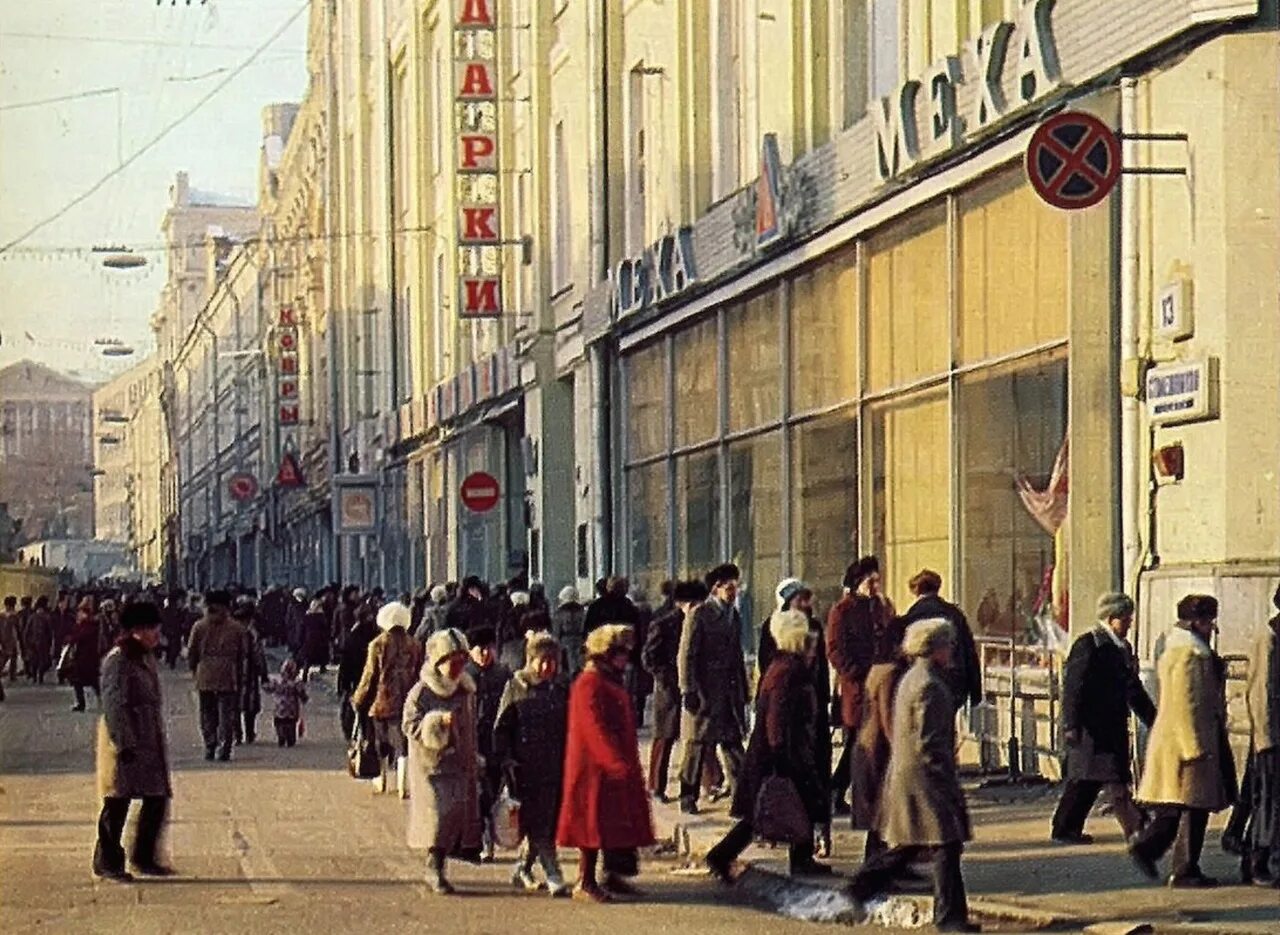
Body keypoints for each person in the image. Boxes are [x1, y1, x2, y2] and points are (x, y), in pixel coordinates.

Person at [846, 619, 977, 933]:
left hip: (912, 775)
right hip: (926, 777)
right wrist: (946, 778)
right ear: (934, 648)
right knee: (945, 844)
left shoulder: (914, 677)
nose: (951, 651)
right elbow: (929, 742)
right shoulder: (928, 684)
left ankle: (861, 887)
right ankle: (950, 918)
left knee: (913, 845)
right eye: (947, 645)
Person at [706, 609, 831, 880]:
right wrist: (781, 755)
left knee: (770, 809)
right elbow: (777, 718)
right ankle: (722, 855)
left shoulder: (786, 668)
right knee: (770, 808)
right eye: (809, 644)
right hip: (781, 753)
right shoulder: (787, 672)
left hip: (783, 751)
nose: (813, 651)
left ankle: (798, 857)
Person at [1130, 594, 1238, 887]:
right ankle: (1180, 866)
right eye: (1208, 622)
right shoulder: (1189, 655)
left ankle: (1157, 853)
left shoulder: (1182, 650)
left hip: (1182, 741)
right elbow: (1185, 703)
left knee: (1178, 807)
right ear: (1197, 623)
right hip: (1186, 744)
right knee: (1190, 808)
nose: (1210, 628)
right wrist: (1194, 748)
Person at [557, 624, 655, 903]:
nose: (625, 657)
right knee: (592, 828)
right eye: (619, 652)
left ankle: (613, 875)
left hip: (610, 765)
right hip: (594, 768)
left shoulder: (609, 679)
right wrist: (613, 762)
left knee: (613, 824)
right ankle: (584, 881)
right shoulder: (589, 683)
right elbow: (593, 728)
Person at [1050, 592, 1155, 845]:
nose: (1130, 624)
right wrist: (1070, 725)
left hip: (1112, 724)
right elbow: (1073, 687)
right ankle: (1136, 829)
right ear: (1110, 619)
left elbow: (1133, 688)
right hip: (1089, 726)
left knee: (1088, 780)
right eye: (1125, 619)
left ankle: (1066, 828)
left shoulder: (1122, 648)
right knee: (1104, 779)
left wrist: (1153, 718)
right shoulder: (1089, 644)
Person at [93, 601, 174, 882]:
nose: (156, 634)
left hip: (147, 737)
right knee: (117, 801)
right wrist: (124, 744)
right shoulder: (118, 659)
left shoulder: (144, 657)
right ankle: (108, 861)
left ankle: (144, 856)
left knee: (157, 798)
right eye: (152, 629)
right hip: (125, 740)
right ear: (136, 631)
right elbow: (114, 705)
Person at [403, 628, 482, 895]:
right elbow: (410, 725)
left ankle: (444, 860)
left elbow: (472, 726)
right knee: (437, 816)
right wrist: (436, 723)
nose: (458, 668)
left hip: (460, 763)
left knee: (456, 815)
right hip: (432, 766)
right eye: (453, 662)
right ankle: (433, 867)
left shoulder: (465, 688)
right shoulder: (421, 692)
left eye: (462, 662)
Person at [758, 579, 834, 855]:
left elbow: (822, 668)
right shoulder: (777, 629)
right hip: (792, 721)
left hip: (813, 711)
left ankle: (814, 842)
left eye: (807, 598)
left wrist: (825, 702)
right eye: (800, 599)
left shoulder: (813, 627)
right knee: (796, 786)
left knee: (815, 783)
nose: (806, 604)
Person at [494, 630, 572, 896]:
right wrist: (505, 759)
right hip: (524, 767)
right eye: (542, 661)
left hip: (556, 765)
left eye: (553, 661)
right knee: (538, 824)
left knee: (546, 821)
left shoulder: (560, 688)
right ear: (531, 660)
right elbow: (501, 727)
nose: (548, 667)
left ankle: (523, 868)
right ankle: (554, 874)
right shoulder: (516, 686)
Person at [677, 563, 749, 815]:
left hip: (728, 693)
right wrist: (688, 689)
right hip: (705, 692)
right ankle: (688, 796)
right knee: (696, 747)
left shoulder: (734, 616)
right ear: (716, 589)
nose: (733, 592)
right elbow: (686, 655)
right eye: (728, 588)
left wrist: (744, 690)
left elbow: (737, 656)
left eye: (735, 587)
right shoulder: (700, 614)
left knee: (733, 746)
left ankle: (742, 800)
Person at [827, 556, 896, 814]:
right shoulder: (842, 610)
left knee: (868, 742)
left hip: (881, 685)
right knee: (858, 741)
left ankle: (854, 793)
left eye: (877, 580)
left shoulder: (880, 607)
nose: (875, 585)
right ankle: (838, 790)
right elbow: (835, 650)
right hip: (858, 689)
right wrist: (855, 672)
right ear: (858, 582)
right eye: (871, 580)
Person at [850, 604, 907, 860]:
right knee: (881, 810)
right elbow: (888, 717)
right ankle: (877, 865)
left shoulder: (878, 668)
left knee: (879, 813)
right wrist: (900, 748)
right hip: (878, 749)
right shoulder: (890, 673)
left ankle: (878, 862)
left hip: (869, 745)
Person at [353, 601, 423, 797]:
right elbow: (419, 674)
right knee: (403, 745)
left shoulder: (378, 644)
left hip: (382, 701)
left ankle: (381, 781)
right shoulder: (415, 644)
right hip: (408, 700)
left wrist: (359, 698)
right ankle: (403, 785)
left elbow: (370, 675)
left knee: (380, 743)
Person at [643, 580, 700, 802]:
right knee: (664, 735)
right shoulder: (664, 623)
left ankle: (709, 782)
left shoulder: (698, 621)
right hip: (668, 687)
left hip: (692, 685)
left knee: (697, 736)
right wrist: (664, 677)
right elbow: (649, 657)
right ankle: (657, 785)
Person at [899, 570, 981, 712]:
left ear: (916, 591)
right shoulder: (954, 613)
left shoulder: (911, 616)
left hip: (920, 683)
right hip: (954, 683)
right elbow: (969, 651)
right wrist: (975, 692)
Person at [464, 624, 512, 861]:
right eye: (479, 649)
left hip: (497, 742)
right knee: (478, 794)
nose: (484, 654)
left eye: (489, 648)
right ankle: (482, 838)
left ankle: (491, 837)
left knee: (494, 793)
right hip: (471, 742)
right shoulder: (463, 676)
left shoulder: (503, 674)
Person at [1241, 585, 1279, 886]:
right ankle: (1257, 862)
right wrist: (1264, 737)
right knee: (1267, 802)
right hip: (1272, 739)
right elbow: (1260, 691)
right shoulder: (1268, 640)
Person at [188, 590, 247, 762]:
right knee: (226, 713)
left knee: (207, 713)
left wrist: (195, 669)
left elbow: (192, 651)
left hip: (205, 672)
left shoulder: (199, 626)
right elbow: (242, 654)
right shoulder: (237, 628)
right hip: (228, 673)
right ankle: (225, 748)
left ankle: (210, 745)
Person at [338, 600, 380, 742]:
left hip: (358, 680)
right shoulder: (377, 636)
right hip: (375, 679)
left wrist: (343, 685)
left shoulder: (353, 636)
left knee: (361, 711)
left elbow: (345, 663)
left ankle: (365, 741)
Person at [234, 599, 269, 745]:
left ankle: (240, 734)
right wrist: (264, 674)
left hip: (238, 673)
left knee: (238, 706)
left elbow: (258, 654)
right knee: (247, 706)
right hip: (246, 674)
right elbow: (259, 654)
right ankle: (246, 733)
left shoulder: (237, 632)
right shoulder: (251, 634)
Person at [68, 596, 103, 711]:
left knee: (90, 681)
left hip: (87, 656)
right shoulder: (88, 624)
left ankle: (86, 702)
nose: (78, 615)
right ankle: (82, 702)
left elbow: (79, 637)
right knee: (82, 681)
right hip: (84, 656)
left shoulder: (90, 625)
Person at [266, 659, 308, 747]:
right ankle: (290, 738)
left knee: (279, 723)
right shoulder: (296, 683)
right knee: (291, 724)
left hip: (279, 708)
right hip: (292, 709)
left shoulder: (277, 681)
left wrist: (265, 685)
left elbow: (269, 688)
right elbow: (302, 693)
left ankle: (281, 737)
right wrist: (304, 699)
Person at [552, 586, 587, 675]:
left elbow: (556, 630)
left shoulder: (559, 612)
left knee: (567, 664)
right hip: (580, 639)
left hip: (565, 640)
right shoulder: (582, 611)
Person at [300, 596, 330, 680]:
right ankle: (321, 669)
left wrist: (301, 640)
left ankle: (305, 675)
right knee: (321, 657)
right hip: (319, 640)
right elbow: (325, 629)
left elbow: (302, 630)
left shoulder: (307, 616)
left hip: (309, 640)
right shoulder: (321, 617)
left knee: (308, 660)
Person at [26, 595, 55, 683]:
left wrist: (27, 642)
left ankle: (35, 676)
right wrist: (50, 643)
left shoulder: (32, 617)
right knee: (43, 661)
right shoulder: (46, 617)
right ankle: (39, 677)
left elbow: (27, 631)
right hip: (42, 643)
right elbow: (50, 631)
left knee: (36, 661)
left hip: (34, 642)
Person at [0, 595, 19, 681]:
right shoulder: (15, 616)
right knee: (12, 657)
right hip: (11, 639)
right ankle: (12, 675)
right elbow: (18, 629)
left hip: (3, 638)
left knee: (4, 657)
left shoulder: (1, 615)